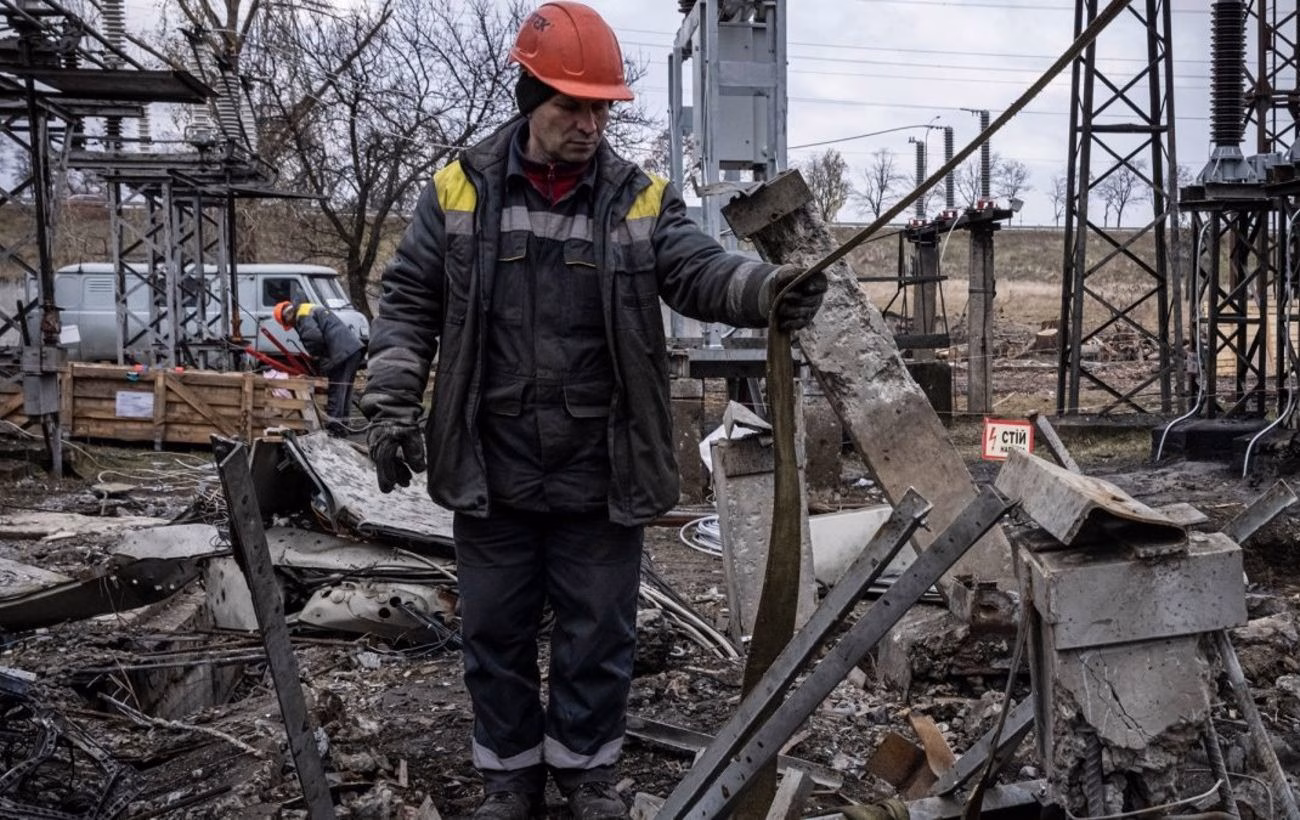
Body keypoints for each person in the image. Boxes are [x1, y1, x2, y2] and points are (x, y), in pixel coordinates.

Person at [359, 3, 826, 817]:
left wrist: (765, 290)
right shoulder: (457, 190)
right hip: (491, 463)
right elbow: (407, 302)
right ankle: (509, 782)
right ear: (526, 99)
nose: (587, 124)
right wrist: (390, 403)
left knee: (597, 640)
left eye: (600, 107)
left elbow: (698, 270)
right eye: (570, 106)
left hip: (598, 466)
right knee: (495, 638)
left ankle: (583, 779)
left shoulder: (638, 199)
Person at [273, 300, 365, 434]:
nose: (292, 326)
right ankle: (343, 425)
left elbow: (313, 338)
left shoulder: (302, 315)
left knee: (337, 389)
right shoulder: (307, 308)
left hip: (342, 352)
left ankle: (335, 429)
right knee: (344, 389)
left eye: (289, 324)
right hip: (351, 349)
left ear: (287, 316)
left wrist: (317, 358)